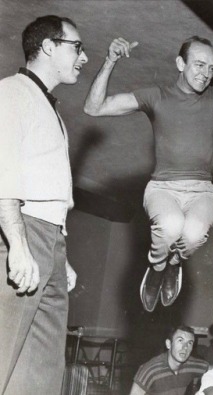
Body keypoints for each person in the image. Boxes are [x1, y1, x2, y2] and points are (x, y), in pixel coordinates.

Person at [84, 36, 213, 312]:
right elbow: (93, 108)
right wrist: (111, 59)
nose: (205, 73)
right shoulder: (156, 96)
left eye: (211, 67)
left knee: (194, 234)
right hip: (162, 188)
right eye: (199, 64)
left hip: (201, 190)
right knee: (170, 225)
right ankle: (157, 265)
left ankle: (173, 263)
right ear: (180, 63)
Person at [0, 15, 87, 395]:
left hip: (50, 238)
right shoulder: (12, 91)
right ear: (49, 47)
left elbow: (49, 188)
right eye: (77, 47)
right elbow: (3, 171)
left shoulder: (52, 111)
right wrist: (17, 244)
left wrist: (59, 253)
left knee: (43, 363)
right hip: (23, 229)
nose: (83, 58)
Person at [130, 324, 209, 395]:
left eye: (189, 343)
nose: (185, 347)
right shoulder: (150, 369)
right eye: (180, 341)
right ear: (168, 344)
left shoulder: (192, 364)